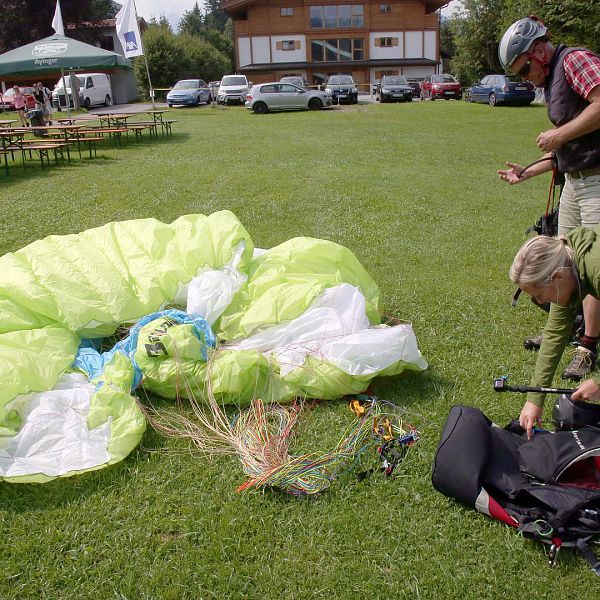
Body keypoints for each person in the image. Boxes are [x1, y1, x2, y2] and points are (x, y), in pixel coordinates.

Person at [497, 16, 600, 381]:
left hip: (597, 180)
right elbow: (565, 150)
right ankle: (562, 328)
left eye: (525, 69)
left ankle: (587, 345)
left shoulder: (574, 60)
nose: (527, 78)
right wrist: (525, 172)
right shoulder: (553, 78)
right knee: (563, 259)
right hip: (575, 180)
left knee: (591, 266)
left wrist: (559, 135)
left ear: (539, 50)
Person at [509, 230, 600, 439]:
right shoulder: (567, 267)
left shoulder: (595, 269)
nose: (541, 302)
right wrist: (534, 399)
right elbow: (554, 335)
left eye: (539, 295)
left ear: (558, 276)